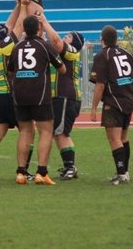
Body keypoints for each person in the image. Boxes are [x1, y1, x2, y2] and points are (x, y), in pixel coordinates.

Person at [7, 14, 65, 185]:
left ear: (24, 29)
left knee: (25, 131)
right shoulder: (44, 45)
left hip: (19, 93)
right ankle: (41, 172)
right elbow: (61, 69)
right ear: (39, 29)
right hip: (39, 93)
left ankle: (21, 172)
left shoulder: (16, 47)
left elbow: (10, 71)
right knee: (46, 131)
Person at [90, 25, 133, 185]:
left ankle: (121, 174)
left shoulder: (102, 56)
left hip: (113, 101)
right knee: (124, 137)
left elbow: (100, 85)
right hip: (129, 100)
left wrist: (94, 108)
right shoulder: (127, 53)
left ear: (101, 39)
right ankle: (125, 172)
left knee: (114, 139)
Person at [0, 0, 34, 178]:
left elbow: (9, 24)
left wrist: (18, 4)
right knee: (27, 131)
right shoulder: (8, 46)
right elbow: (18, 25)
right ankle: (23, 170)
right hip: (12, 95)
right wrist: (24, 6)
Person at [40, 14, 84, 181]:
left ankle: (71, 167)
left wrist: (44, 22)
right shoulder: (65, 54)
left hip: (66, 97)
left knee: (61, 134)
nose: (66, 36)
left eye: (70, 36)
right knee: (59, 132)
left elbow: (57, 42)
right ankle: (69, 166)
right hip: (61, 97)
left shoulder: (72, 51)